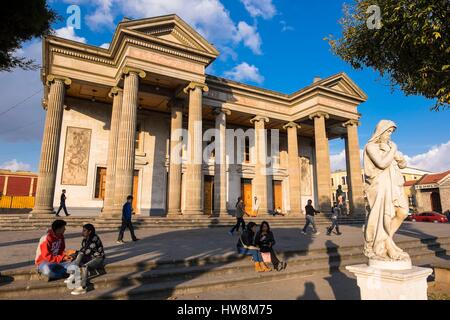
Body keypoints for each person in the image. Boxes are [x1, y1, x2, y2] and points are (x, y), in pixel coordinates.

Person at [69, 224, 106, 295]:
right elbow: (82, 250)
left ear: (90, 232)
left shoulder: (94, 238)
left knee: (84, 267)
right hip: (90, 257)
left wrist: (76, 254)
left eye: (84, 231)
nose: (82, 232)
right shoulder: (85, 239)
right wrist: (75, 254)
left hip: (98, 259)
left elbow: (86, 251)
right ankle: (73, 273)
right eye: (82, 230)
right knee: (78, 256)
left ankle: (83, 287)